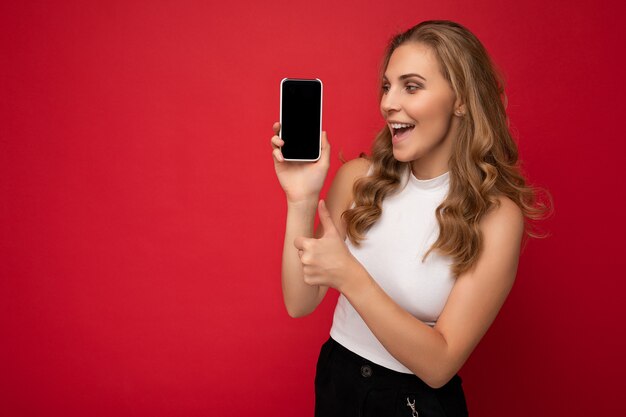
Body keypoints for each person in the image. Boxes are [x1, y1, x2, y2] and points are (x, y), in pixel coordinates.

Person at [270, 20, 551, 417]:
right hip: (338, 382)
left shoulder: (496, 215)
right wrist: (301, 200)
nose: (388, 103)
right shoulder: (358, 180)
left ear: (461, 100)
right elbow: (299, 303)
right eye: (387, 86)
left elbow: (440, 366)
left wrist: (350, 276)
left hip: (414, 402)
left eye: (412, 86)